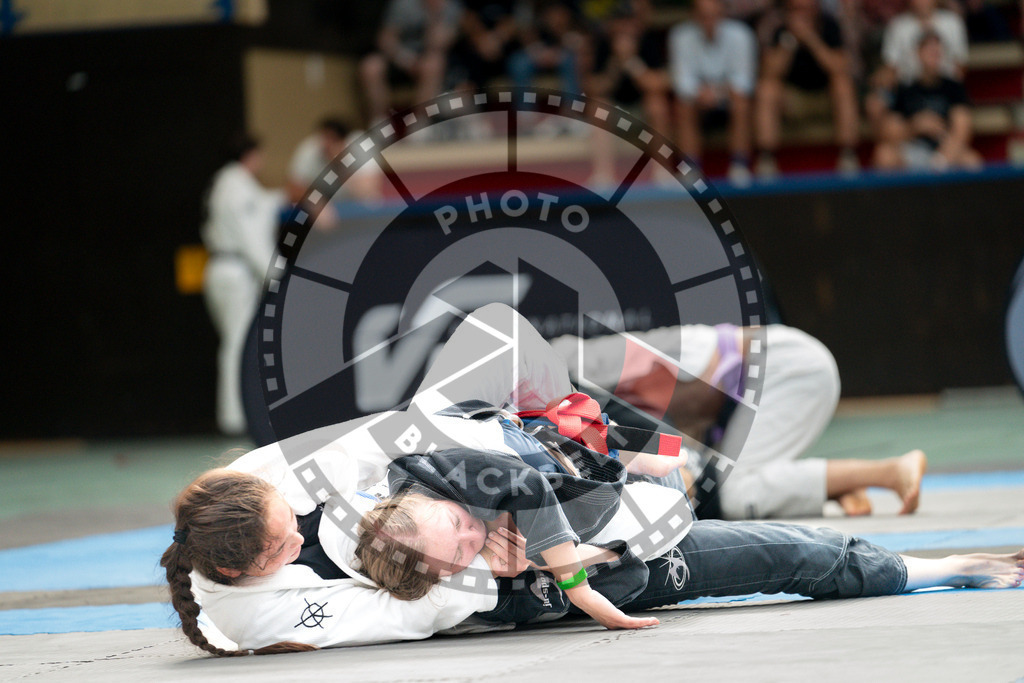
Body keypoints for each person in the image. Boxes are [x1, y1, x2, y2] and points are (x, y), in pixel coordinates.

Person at [162, 304, 1023, 655]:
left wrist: (501, 502)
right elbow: (403, 614)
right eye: (280, 543)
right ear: (243, 569)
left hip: (492, 486)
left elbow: (402, 437)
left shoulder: (268, 473)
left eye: (283, 517)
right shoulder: (248, 609)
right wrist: (496, 568)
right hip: (516, 583)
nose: (293, 525)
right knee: (771, 552)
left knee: (500, 343)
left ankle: (619, 446)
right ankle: (936, 565)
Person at [547, 322, 927, 519]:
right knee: (721, 486)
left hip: (789, 368)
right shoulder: (577, 380)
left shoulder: (579, 366)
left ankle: (885, 472)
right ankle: (835, 484)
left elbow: (674, 418)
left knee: (732, 495)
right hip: (771, 374)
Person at [200, 133, 284, 436]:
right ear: (250, 155)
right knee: (237, 345)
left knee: (234, 343)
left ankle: (234, 416)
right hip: (235, 270)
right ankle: (235, 419)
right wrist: (277, 275)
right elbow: (252, 237)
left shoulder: (226, 183)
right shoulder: (237, 186)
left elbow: (265, 204)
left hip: (222, 267)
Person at [754, 0, 860, 178]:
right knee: (767, 89)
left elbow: (839, 67)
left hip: (826, 97)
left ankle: (848, 156)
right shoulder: (780, 29)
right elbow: (769, 72)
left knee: (843, 84)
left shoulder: (829, 25)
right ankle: (766, 159)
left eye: (807, 9)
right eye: (796, 10)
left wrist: (811, 39)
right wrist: (790, 41)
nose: (802, 15)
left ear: (816, 8)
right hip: (792, 100)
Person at [668, 0, 758, 185]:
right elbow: (682, 81)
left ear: (722, 13)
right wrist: (699, 93)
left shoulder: (741, 34)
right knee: (682, 104)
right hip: (698, 101)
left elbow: (744, 81)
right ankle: (691, 170)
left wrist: (716, 92)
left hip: (729, 98)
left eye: (713, 16)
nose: (709, 21)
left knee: (742, 102)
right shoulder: (680, 35)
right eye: (704, 16)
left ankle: (739, 166)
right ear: (694, 15)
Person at [585, 0, 674, 186]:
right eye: (620, 22)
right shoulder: (604, 44)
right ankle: (603, 176)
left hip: (642, 112)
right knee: (598, 106)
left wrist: (632, 62)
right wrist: (615, 65)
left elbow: (658, 84)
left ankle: (663, 171)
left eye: (628, 21)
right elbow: (593, 88)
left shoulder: (647, 41)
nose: (625, 27)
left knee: (657, 104)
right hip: (616, 112)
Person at [873, 31, 982, 170]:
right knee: (884, 155)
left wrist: (943, 157)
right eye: (929, 51)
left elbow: (962, 127)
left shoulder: (953, 87)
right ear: (918, 53)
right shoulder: (906, 89)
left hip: (945, 147)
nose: (933, 55)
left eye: (937, 51)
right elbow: (890, 130)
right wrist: (915, 126)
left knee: (971, 161)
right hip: (912, 148)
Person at [865, 0, 968, 136]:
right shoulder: (898, 25)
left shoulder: (952, 22)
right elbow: (890, 68)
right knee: (875, 104)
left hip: (943, 88)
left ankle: (945, 143)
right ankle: (890, 143)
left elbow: (960, 68)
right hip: (907, 88)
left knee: (959, 112)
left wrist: (939, 83)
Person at [358, 0, 463, 124]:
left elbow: (439, 44)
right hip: (398, 57)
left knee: (434, 63)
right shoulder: (404, 4)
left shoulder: (452, 7)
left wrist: (434, 15)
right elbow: (385, 38)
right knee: (370, 66)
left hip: (427, 61)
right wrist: (405, 59)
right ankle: (378, 122)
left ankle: (419, 123)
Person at [285, 118, 382, 215]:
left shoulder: (362, 145)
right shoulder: (310, 149)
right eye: (325, 138)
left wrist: (341, 164)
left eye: (333, 140)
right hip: (322, 205)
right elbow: (293, 191)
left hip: (355, 206)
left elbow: (367, 191)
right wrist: (317, 203)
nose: (327, 145)